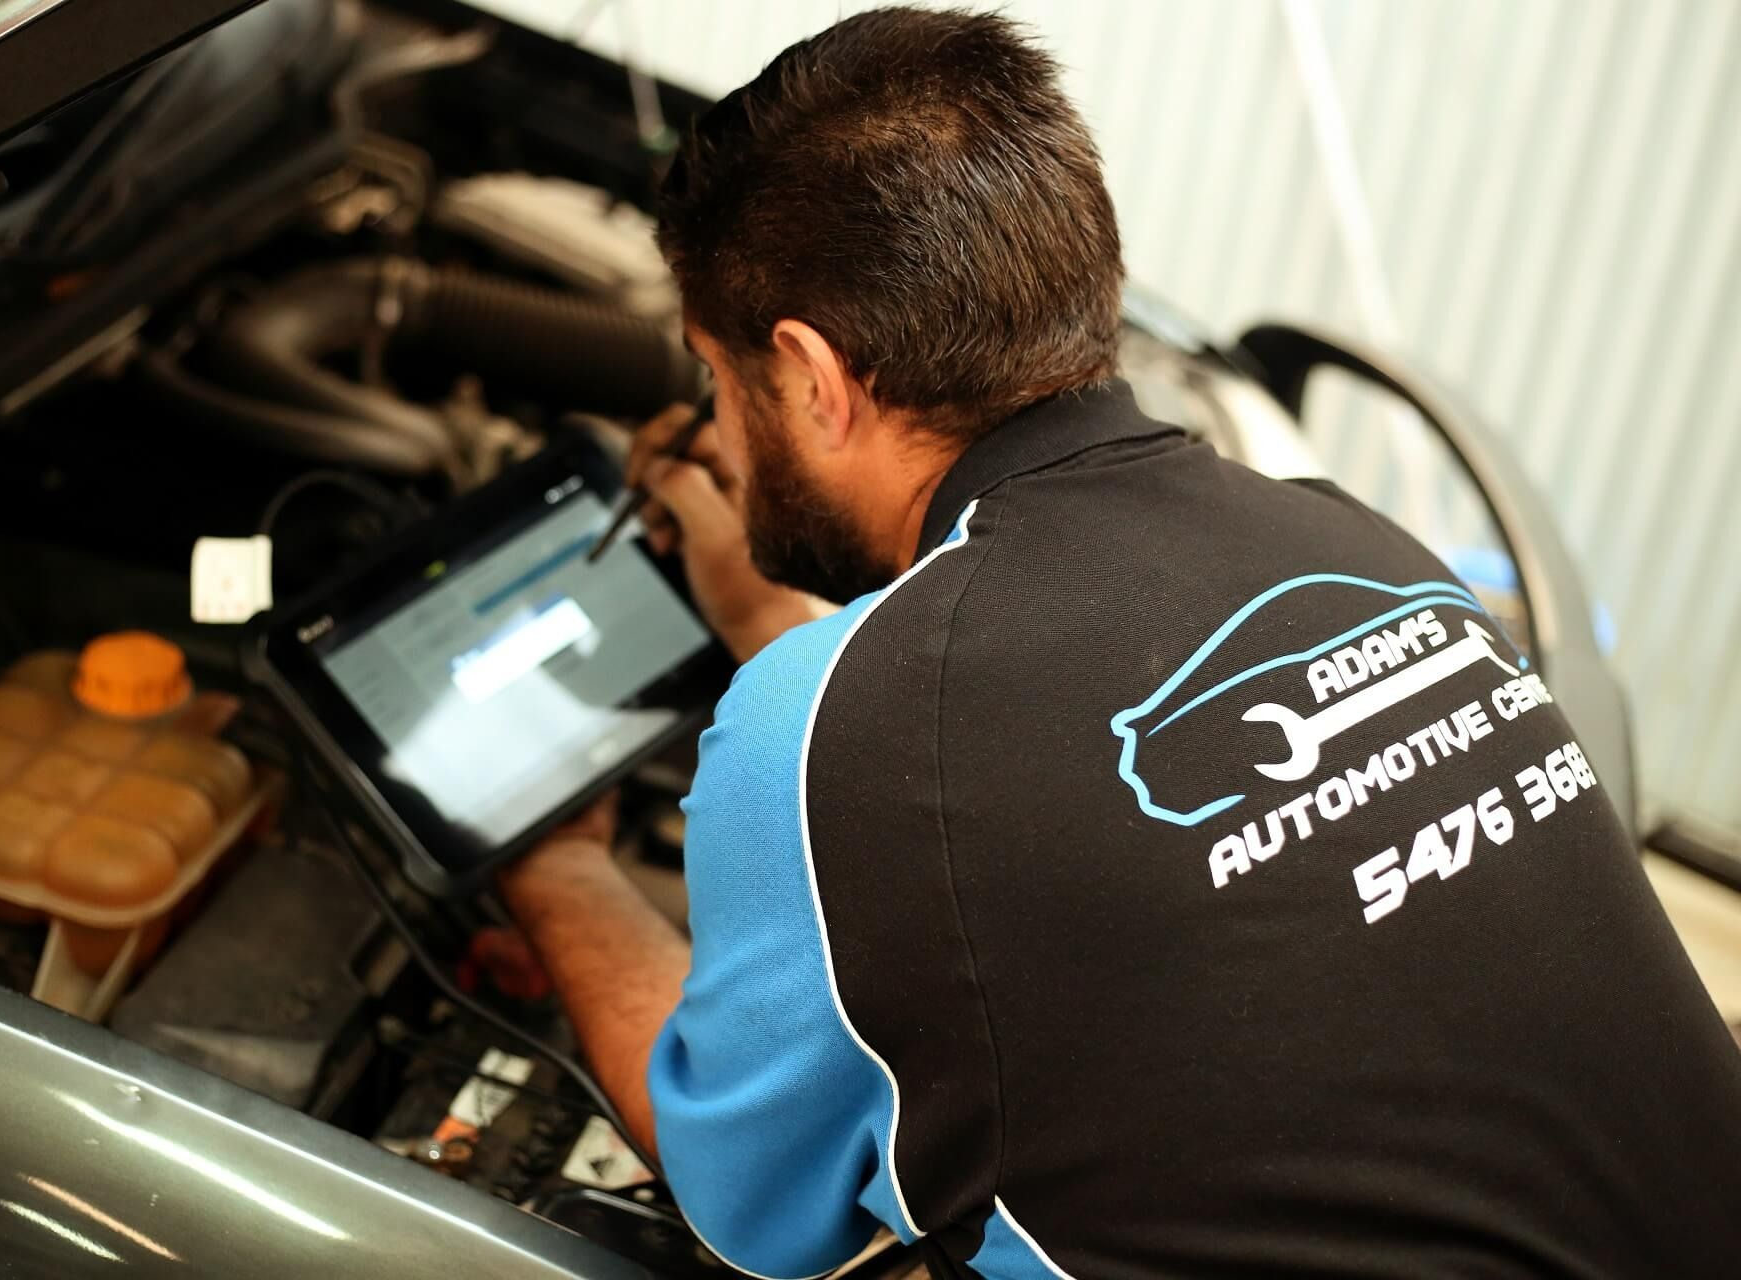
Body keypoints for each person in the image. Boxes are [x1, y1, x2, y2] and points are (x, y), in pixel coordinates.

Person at [498, 8, 1741, 1278]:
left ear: (814, 378)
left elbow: (756, 1213)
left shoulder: (819, 740)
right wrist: (769, 624)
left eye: (716, 372)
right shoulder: (1349, 543)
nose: (718, 419)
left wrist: (555, 870)